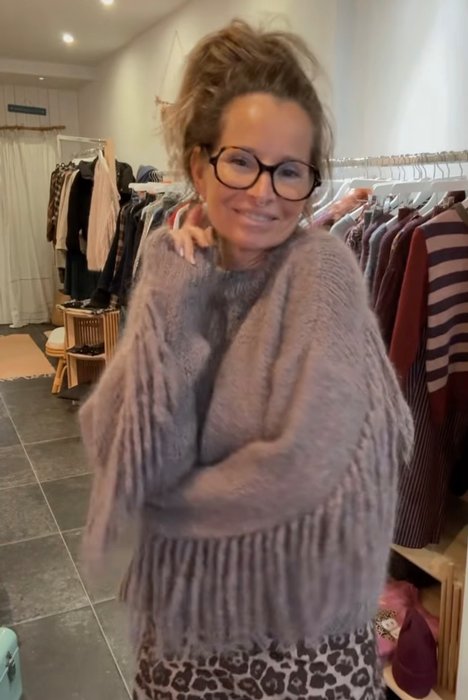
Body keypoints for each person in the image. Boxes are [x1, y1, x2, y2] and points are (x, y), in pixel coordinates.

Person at [80, 20, 414, 700]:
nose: (264, 192)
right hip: (183, 644)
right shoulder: (174, 269)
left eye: (289, 171)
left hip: (299, 652)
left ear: (310, 181)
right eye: (241, 161)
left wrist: (170, 507)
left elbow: (305, 471)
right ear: (199, 163)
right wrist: (176, 294)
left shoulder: (321, 275)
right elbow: (129, 448)